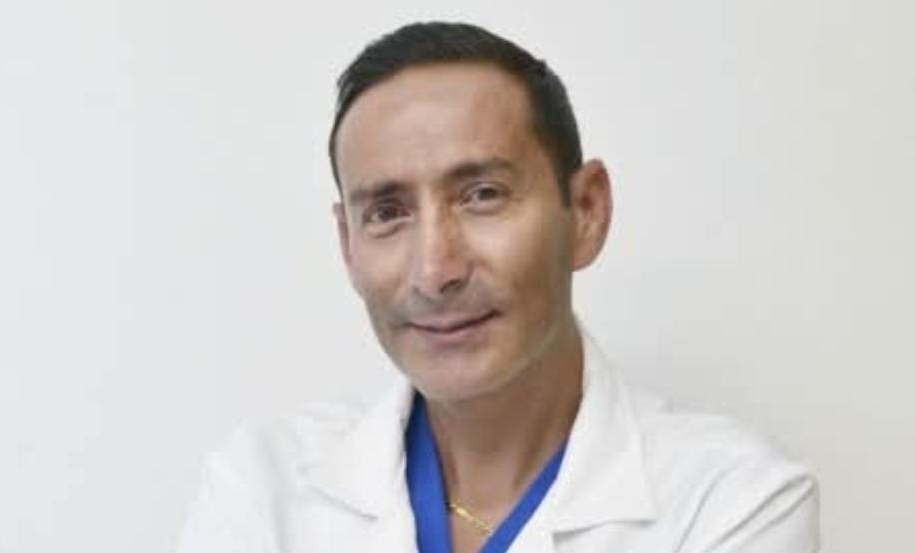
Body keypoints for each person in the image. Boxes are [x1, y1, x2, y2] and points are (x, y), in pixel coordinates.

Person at [176, 21, 819, 553]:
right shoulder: (262, 486)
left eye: (482, 195)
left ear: (587, 212)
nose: (436, 271)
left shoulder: (734, 501)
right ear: (348, 244)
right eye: (388, 212)